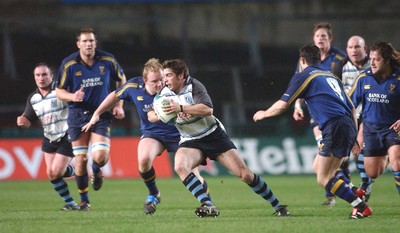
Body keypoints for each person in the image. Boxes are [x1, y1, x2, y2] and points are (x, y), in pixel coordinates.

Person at [148, 59, 289, 217]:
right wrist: (162, 115)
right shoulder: (163, 93)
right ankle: (208, 205)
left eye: (168, 75)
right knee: (180, 166)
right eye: (164, 76)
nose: (164, 80)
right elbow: (151, 114)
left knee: (246, 175)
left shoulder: (194, 86)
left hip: (213, 136)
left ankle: (278, 206)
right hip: (190, 139)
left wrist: (181, 108)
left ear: (180, 76)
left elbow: (208, 109)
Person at [253, 45, 371, 219]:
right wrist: (353, 136)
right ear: (318, 58)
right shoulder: (330, 75)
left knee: (323, 178)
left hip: (334, 126)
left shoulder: (305, 75)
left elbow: (283, 105)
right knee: (318, 166)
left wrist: (264, 113)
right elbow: (352, 108)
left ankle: (360, 206)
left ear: (302, 60)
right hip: (347, 124)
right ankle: (354, 190)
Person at [81, 58, 210, 215]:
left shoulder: (173, 89)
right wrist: (96, 114)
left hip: (180, 133)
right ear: (144, 81)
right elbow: (114, 96)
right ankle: (154, 194)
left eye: (162, 79)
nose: (160, 84)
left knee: (193, 174)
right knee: (143, 160)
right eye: (155, 81)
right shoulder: (133, 86)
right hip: (152, 133)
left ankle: (207, 202)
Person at [56, 27, 126, 211]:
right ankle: (84, 201)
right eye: (85, 41)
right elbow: (58, 91)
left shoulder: (107, 59)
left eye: (91, 41)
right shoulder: (69, 64)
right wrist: (72, 97)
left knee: (101, 157)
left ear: (96, 43)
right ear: (78, 44)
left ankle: (96, 169)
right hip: (77, 115)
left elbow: (121, 79)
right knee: (80, 160)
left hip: (101, 114)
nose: (88, 44)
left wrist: (119, 105)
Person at [293, 22, 348, 206]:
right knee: (325, 153)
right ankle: (337, 193)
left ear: (330, 38)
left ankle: (349, 190)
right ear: (313, 39)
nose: (320, 39)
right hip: (318, 114)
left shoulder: (341, 57)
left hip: (339, 111)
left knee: (336, 158)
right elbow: (299, 85)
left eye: (324, 36)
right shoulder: (307, 60)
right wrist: (297, 107)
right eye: (318, 36)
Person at [16, 63, 78, 210]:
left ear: (51, 76)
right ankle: (71, 204)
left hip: (66, 135)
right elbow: (28, 121)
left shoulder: (60, 90)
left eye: (44, 74)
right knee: (51, 174)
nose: (41, 78)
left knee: (58, 171)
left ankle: (81, 169)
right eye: (37, 75)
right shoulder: (33, 98)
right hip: (49, 136)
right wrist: (22, 122)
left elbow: (76, 104)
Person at [349, 41, 400, 196]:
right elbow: (349, 105)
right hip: (372, 131)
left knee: (397, 162)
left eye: (376, 59)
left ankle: (393, 156)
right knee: (372, 172)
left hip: (394, 129)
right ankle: (387, 155)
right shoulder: (364, 78)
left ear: (387, 60)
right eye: (370, 58)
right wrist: (353, 134)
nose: (371, 62)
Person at [332, 35, 373, 201]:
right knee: (345, 155)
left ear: (365, 49)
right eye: (350, 47)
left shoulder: (375, 63)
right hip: (349, 115)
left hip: (371, 115)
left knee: (360, 150)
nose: (354, 50)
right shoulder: (341, 66)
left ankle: (365, 182)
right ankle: (359, 184)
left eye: (357, 47)